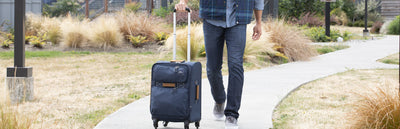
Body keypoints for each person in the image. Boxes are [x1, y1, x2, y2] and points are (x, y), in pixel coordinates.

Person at [176, 0, 263, 128]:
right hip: (212, 18)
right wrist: (183, 1)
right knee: (213, 68)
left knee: (236, 65)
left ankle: (232, 114)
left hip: (238, 19)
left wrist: (258, 22)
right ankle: (219, 99)